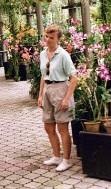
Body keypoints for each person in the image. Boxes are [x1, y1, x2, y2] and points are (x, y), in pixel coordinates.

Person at [37, 25, 77, 172]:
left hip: (60, 89)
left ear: (58, 39)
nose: (47, 40)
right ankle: (56, 157)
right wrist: (40, 95)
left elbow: (74, 79)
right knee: (48, 126)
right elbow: (43, 75)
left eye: (51, 37)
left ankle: (66, 160)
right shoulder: (43, 54)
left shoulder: (64, 55)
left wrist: (66, 99)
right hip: (47, 89)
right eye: (46, 36)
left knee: (62, 128)